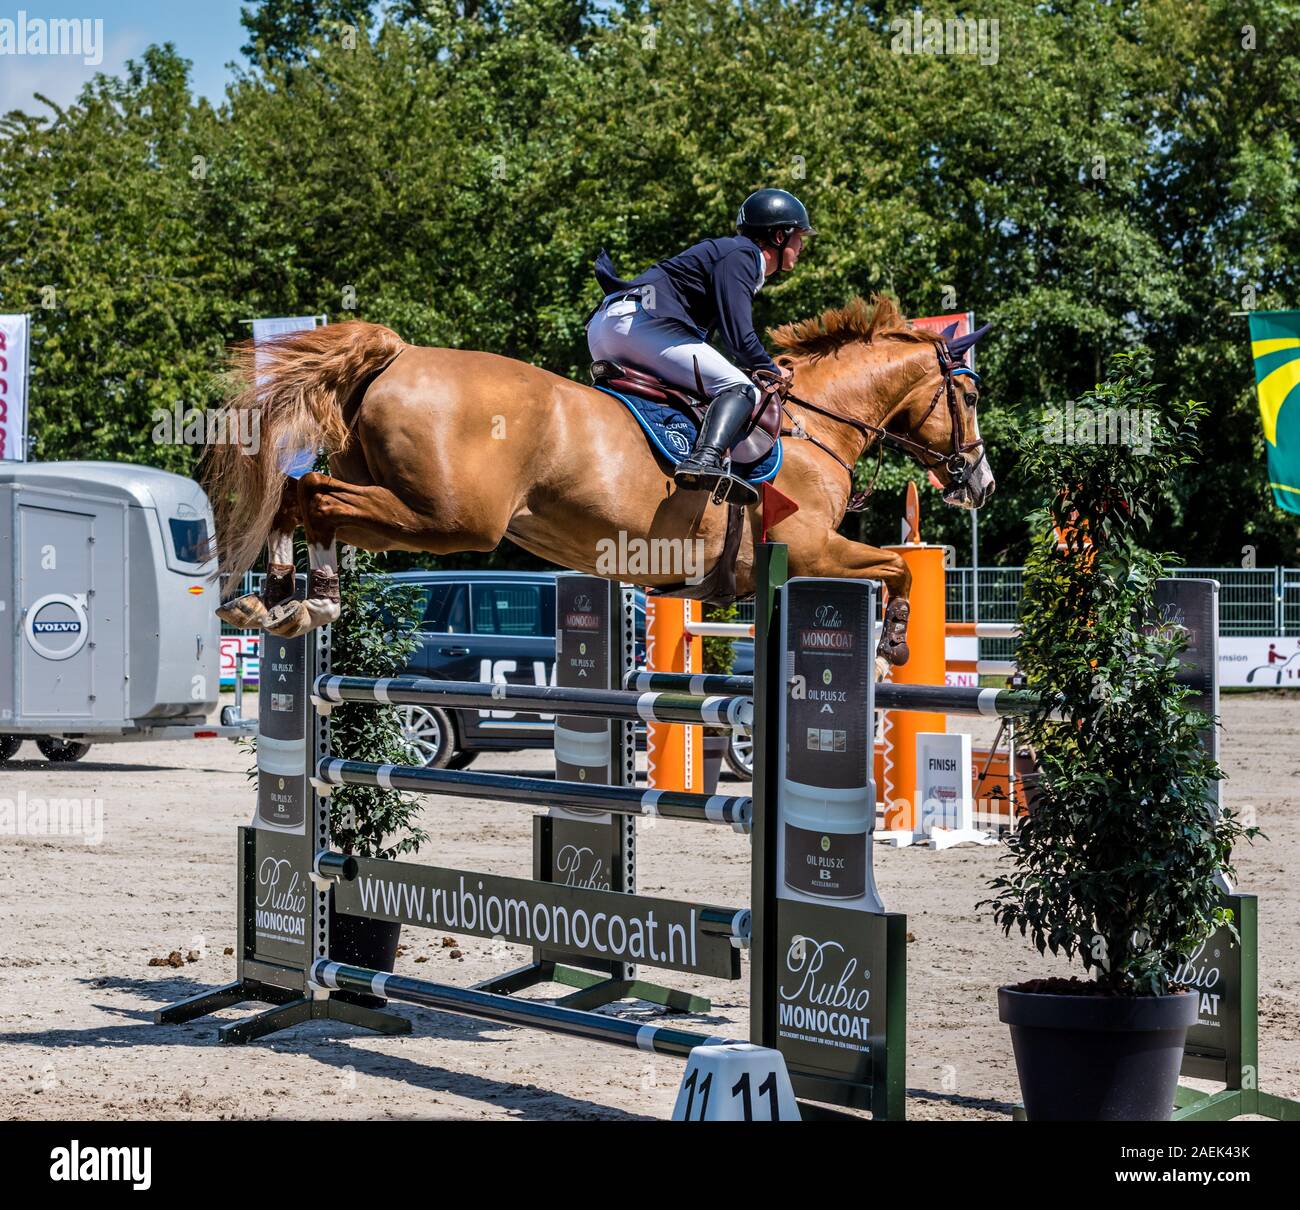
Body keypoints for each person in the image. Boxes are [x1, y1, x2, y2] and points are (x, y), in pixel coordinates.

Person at [588, 188, 813, 503]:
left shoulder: (731, 253)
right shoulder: (742, 255)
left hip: (607, 326)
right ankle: (704, 460)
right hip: (639, 324)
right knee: (740, 389)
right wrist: (770, 368)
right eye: (800, 236)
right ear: (779, 236)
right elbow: (740, 338)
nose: (802, 245)